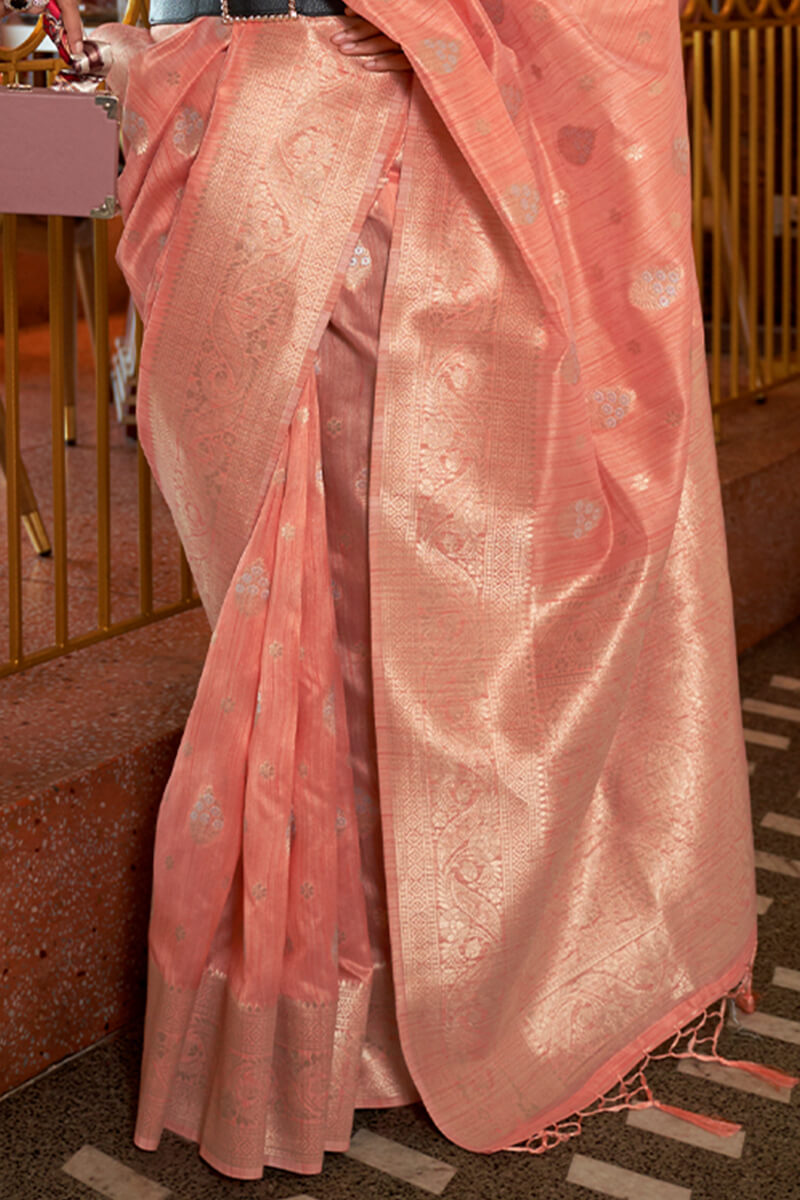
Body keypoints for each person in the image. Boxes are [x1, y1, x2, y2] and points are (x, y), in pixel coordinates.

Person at [51, 0, 766, 1180]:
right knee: (282, 595)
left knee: (376, 581)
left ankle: (384, 1004)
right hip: (216, 123)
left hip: (384, 131)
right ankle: (319, 1006)